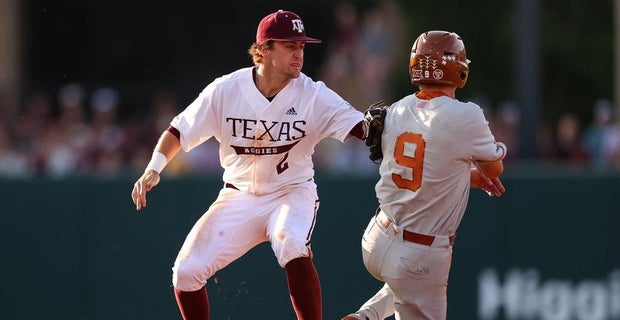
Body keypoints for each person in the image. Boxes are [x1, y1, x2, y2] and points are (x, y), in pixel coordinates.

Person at [130, 9, 367, 320]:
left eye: (301, 47)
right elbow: (179, 129)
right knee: (186, 272)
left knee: (291, 242)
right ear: (264, 49)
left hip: (290, 192)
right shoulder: (226, 90)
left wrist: (389, 129)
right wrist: (154, 167)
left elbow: (363, 128)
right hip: (239, 194)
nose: (298, 54)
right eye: (289, 46)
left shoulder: (313, 94)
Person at [341, 30, 507, 320]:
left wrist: (467, 176)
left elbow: (427, 167)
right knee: (409, 279)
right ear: (459, 69)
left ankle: (366, 316)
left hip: (376, 239)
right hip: (419, 253)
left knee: (404, 283)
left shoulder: (397, 108)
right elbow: (494, 169)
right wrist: (495, 153)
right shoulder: (466, 115)